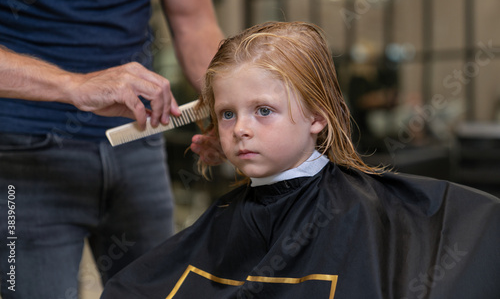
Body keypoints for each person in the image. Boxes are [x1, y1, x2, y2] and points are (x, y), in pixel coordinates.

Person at [102, 21, 500, 298]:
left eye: (263, 111)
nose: (240, 128)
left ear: (317, 117)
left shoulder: (362, 212)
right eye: (227, 113)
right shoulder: (227, 216)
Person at [0, 0, 223, 297]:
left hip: (138, 142)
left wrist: (230, 107)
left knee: (159, 290)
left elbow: (194, 22)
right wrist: (72, 84)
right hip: (23, 149)